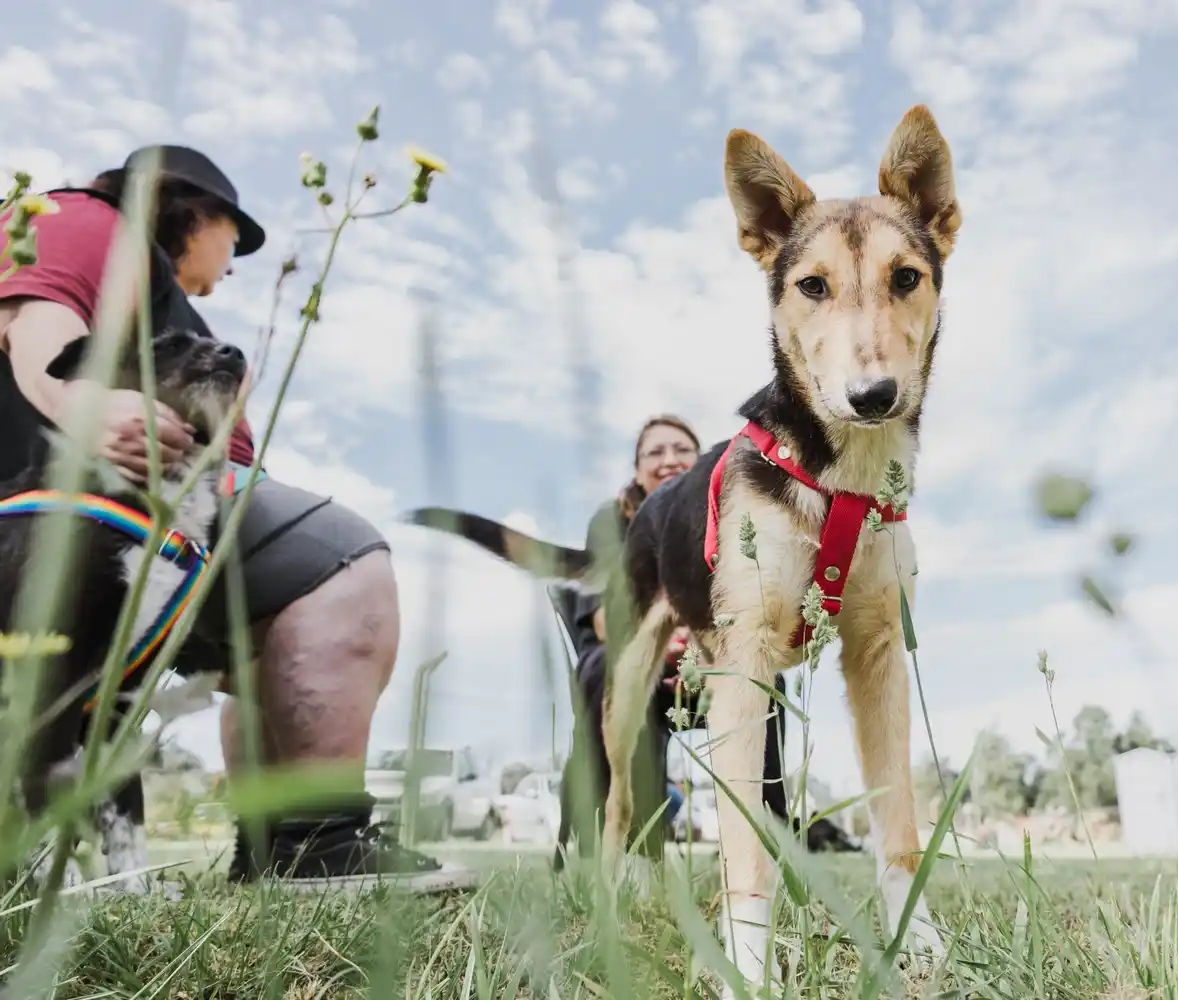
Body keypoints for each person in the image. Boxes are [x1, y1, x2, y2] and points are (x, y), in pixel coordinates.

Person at [0, 145, 468, 889]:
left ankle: (271, 848)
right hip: (102, 515)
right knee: (339, 557)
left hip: (166, 518)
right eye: (233, 235)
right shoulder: (94, 220)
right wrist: (82, 403)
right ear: (191, 208)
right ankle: (316, 839)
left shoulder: (143, 278)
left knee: (268, 654)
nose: (236, 259)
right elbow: (34, 310)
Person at [554, 414, 792, 864]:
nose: (669, 460)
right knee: (614, 671)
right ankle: (634, 845)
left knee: (765, 680)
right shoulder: (613, 520)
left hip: (706, 658)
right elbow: (606, 622)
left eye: (682, 450)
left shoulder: (730, 512)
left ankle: (769, 831)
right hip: (629, 658)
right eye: (655, 452)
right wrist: (667, 644)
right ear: (637, 468)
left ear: (701, 460)